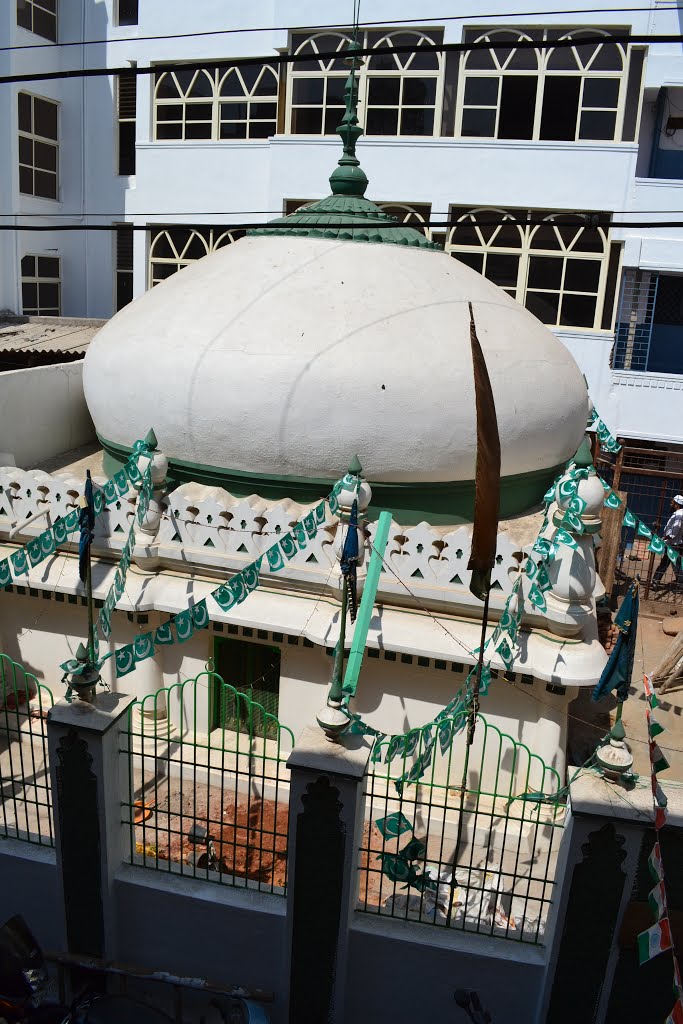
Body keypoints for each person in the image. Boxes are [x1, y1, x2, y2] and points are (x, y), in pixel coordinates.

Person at [652, 494, 683, 587]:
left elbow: (677, 528)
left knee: (673, 564)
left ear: (677, 504)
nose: (670, 504)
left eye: (672, 502)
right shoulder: (679, 513)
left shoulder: (679, 515)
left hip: (675, 543)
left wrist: (668, 537)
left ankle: (656, 581)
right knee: (670, 563)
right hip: (674, 543)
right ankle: (655, 580)